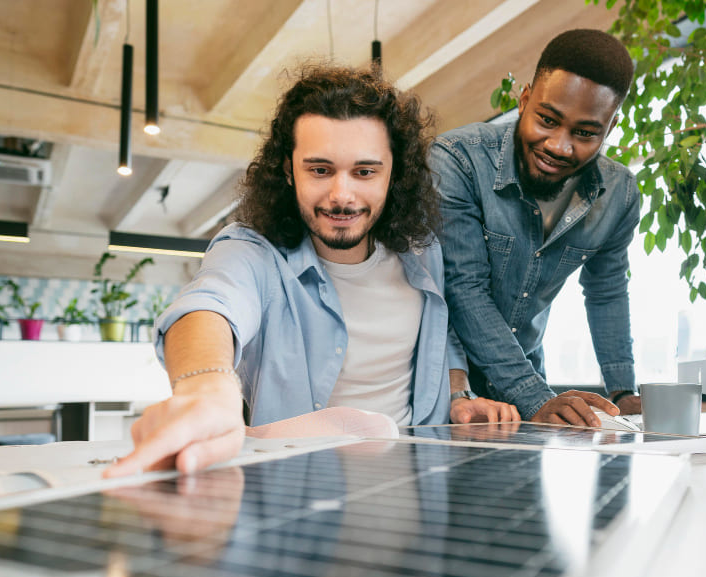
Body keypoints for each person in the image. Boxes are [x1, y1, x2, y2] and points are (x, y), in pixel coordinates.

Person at [107, 65, 517, 478]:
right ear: (289, 170)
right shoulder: (254, 251)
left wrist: (459, 392)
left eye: (365, 171)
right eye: (320, 170)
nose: (342, 195)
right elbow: (210, 304)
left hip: (422, 495)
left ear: (394, 174)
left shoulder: (421, 249)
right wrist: (206, 387)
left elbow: (439, 331)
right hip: (298, 498)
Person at [430, 29, 642, 427]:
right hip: (447, 384)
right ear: (524, 99)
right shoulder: (457, 161)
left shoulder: (620, 194)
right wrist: (534, 397)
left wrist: (623, 394)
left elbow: (607, 292)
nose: (559, 147)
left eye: (585, 133)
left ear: (610, 128)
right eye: (548, 120)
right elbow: (464, 288)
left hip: (527, 378)